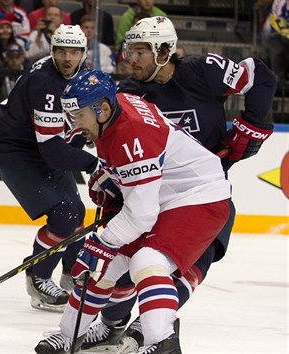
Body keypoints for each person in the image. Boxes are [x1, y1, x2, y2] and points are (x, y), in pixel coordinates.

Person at [78, 16, 277, 353]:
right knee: (126, 264)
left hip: (202, 194)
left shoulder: (204, 70)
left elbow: (260, 75)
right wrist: (107, 179)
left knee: (192, 262)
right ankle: (112, 323)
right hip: (152, 196)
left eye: (141, 51)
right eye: (130, 50)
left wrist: (252, 126)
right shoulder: (128, 93)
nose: (131, 59)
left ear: (166, 51)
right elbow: (117, 148)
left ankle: (151, 326)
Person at [35, 69, 232, 354]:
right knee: (102, 268)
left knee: (146, 261)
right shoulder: (115, 107)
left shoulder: (131, 138)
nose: (74, 125)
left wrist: (102, 243)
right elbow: (137, 167)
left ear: (101, 109)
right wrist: (111, 173)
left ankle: (162, 342)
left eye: (78, 115)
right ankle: (68, 335)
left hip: (199, 196)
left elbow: (141, 214)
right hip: (165, 192)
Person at [0, 24, 97, 313]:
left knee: (75, 212)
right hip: (15, 152)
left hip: (42, 147)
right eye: (61, 50)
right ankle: (38, 278)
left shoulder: (80, 76)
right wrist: (94, 164)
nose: (66, 57)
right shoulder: (45, 82)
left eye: (73, 52)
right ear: (52, 51)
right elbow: (51, 152)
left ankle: (73, 275)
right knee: (64, 213)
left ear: (83, 54)